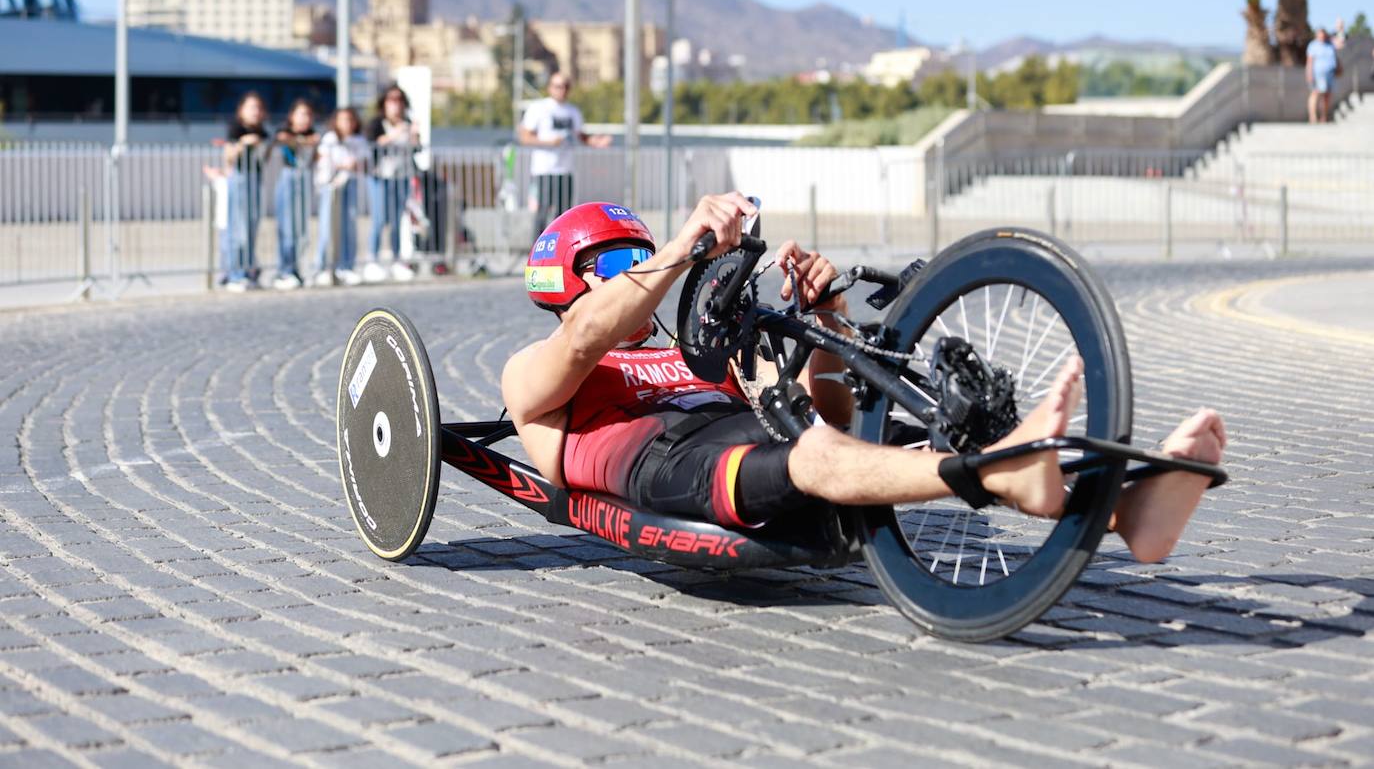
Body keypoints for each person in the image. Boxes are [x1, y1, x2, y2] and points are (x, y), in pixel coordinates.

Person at [501, 193, 1228, 564]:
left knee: (885, 435)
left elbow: (834, 413)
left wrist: (829, 318)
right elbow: (585, 335)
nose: (637, 274)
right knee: (813, 455)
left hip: (757, 444)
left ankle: (1125, 515)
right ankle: (1008, 474)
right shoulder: (536, 371)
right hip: (665, 462)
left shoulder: (700, 352)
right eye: (611, 265)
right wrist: (688, 242)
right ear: (563, 281)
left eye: (642, 255)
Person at [517, 73, 612, 238]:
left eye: (566, 86)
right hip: (544, 171)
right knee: (542, 211)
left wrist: (596, 141)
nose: (562, 90)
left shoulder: (572, 111)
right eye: (558, 86)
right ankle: (537, 251)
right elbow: (524, 136)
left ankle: (560, 252)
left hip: (565, 170)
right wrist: (549, 143)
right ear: (550, 87)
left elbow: (581, 135)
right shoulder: (539, 108)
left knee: (564, 214)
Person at [363, 85, 418, 283]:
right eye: (391, 100)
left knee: (397, 221)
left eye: (399, 100)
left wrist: (414, 134)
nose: (396, 104)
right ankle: (372, 260)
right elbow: (373, 142)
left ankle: (396, 260)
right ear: (384, 103)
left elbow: (416, 148)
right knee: (379, 219)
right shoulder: (377, 123)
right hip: (380, 176)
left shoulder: (408, 122)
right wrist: (396, 133)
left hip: (401, 176)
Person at [222, 92, 270, 292]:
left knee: (251, 226)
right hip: (239, 179)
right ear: (241, 110)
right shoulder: (235, 128)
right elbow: (228, 157)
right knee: (237, 228)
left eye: (258, 108)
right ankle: (234, 274)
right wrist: (243, 143)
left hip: (255, 179)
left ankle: (248, 271)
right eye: (251, 107)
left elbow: (264, 158)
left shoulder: (263, 132)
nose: (255, 112)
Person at [271, 99, 319, 290]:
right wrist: (301, 140)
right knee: (287, 229)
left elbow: (315, 146)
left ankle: (297, 269)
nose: (304, 118)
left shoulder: (313, 134)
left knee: (301, 230)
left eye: (308, 114)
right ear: (292, 116)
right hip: (288, 180)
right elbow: (282, 138)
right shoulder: (284, 132)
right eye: (301, 114)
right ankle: (284, 270)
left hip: (304, 180)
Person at [314, 107, 366, 287]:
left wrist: (350, 165)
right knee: (327, 226)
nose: (347, 124)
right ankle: (322, 267)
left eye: (350, 120)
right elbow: (325, 159)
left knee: (349, 225)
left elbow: (363, 161)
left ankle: (346, 266)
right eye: (343, 120)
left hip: (349, 184)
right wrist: (342, 165)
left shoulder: (358, 140)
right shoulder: (330, 138)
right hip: (331, 185)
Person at [1306, 28, 1341, 124]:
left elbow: (1340, 44)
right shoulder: (1313, 45)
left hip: (1330, 73)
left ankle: (1324, 117)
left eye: (1323, 35)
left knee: (1327, 96)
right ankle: (1312, 117)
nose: (1322, 37)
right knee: (1316, 93)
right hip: (1318, 73)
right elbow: (1310, 62)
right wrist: (1309, 74)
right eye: (1320, 35)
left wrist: (1339, 29)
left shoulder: (1330, 44)